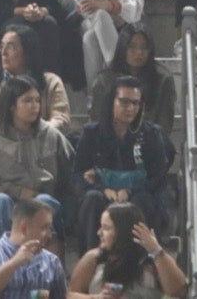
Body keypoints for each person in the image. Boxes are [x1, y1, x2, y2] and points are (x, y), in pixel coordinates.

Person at [0, 74, 74, 241]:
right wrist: (16, 192)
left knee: (44, 201)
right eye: (27, 101)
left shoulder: (51, 135)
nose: (35, 106)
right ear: (12, 106)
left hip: (43, 198)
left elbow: (70, 175)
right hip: (7, 202)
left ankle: (48, 261)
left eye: (37, 100)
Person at [73, 75, 173, 247]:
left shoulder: (151, 134)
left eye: (136, 103)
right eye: (125, 102)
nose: (131, 108)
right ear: (112, 101)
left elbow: (159, 177)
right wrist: (104, 190)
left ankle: (139, 261)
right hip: (102, 193)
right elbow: (78, 175)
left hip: (138, 194)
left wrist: (129, 191)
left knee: (141, 202)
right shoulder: (91, 133)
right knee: (92, 199)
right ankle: (91, 259)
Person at [67, 202, 188, 299]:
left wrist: (156, 250)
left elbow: (178, 290)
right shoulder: (93, 258)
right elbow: (69, 295)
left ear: (123, 231)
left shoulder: (153, 260)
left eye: (106, 228)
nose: (99, 233)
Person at [0, 196, 66, 299]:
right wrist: (15, 262)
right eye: (44, 228)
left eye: (49, 228)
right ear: (24, 228)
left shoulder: (52, 261)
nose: (49, 235)